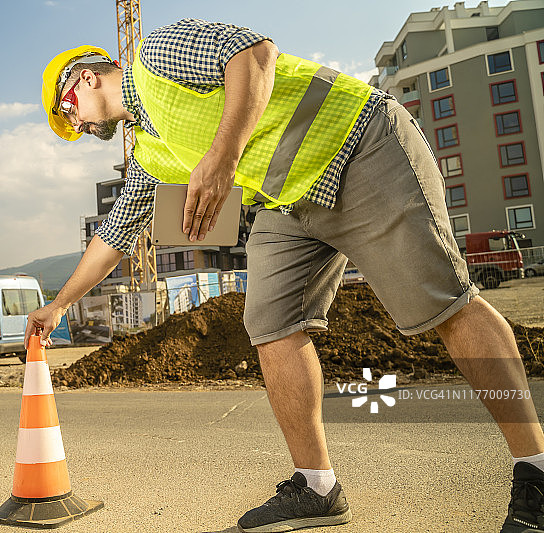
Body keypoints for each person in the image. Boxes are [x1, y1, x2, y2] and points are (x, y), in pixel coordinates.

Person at [30, 19, 544, 533]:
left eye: (67, 110)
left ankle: (536, 471)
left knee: (445, 306)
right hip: (289, 203)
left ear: (86, 78)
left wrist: (222, 158)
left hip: (359, 145)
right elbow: (116, 235)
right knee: (271, 322)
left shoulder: (153, 55)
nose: (73, 126)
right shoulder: (147, 152)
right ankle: (317, 487)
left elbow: (254, 55)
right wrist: (58, 305)